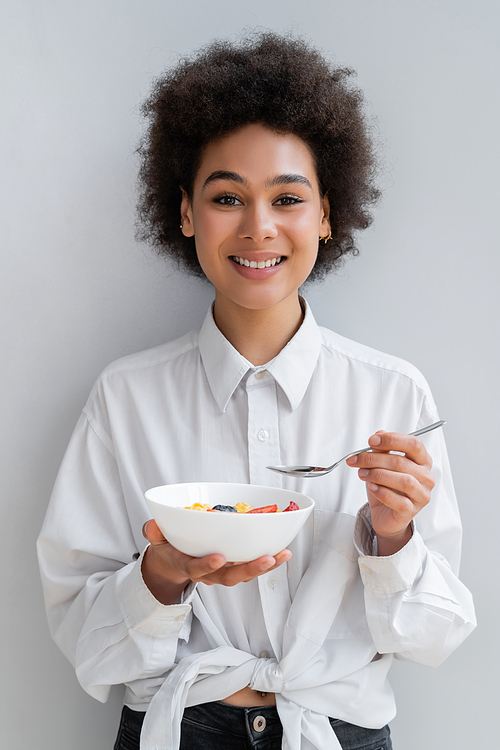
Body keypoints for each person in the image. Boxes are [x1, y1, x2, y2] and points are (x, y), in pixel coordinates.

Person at [37, 33, 476, 750]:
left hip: (335, 729)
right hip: (181, 728)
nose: (258, 227)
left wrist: (392, 537)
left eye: (288, 198)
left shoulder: (392, 393)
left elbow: (435, 637)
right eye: (227, 196)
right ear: (185, 214)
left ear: (327, 215)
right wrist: (162, 574)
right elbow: (84, 640)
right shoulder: (125, 398)